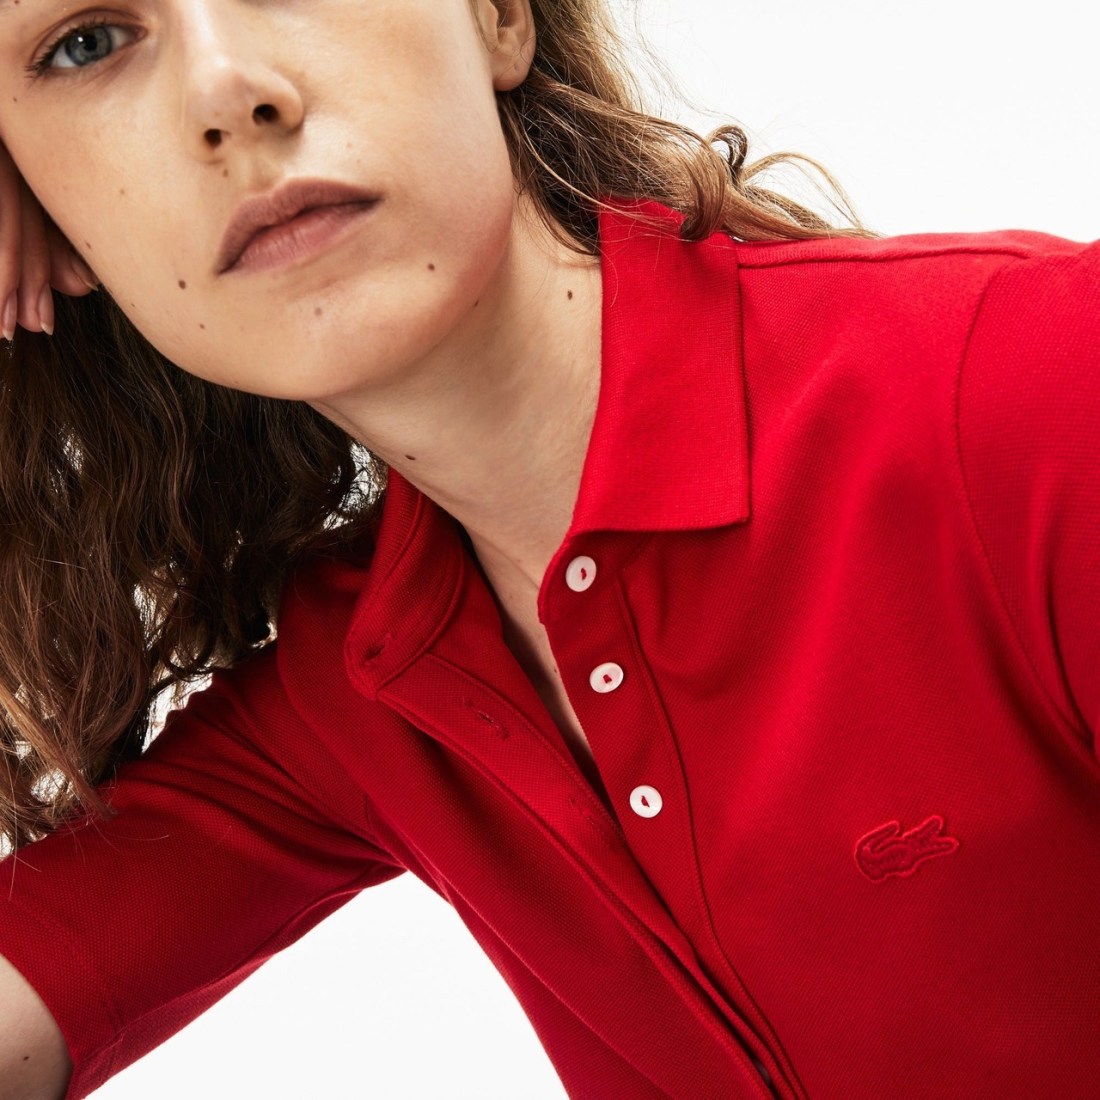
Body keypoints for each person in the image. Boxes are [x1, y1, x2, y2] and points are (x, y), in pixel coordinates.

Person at [0, 0, 1097, 1097]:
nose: (227, 94)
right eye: (85, 44)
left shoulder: (1042, 393)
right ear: (50, 212)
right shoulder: (361, 683)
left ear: (497, 16)